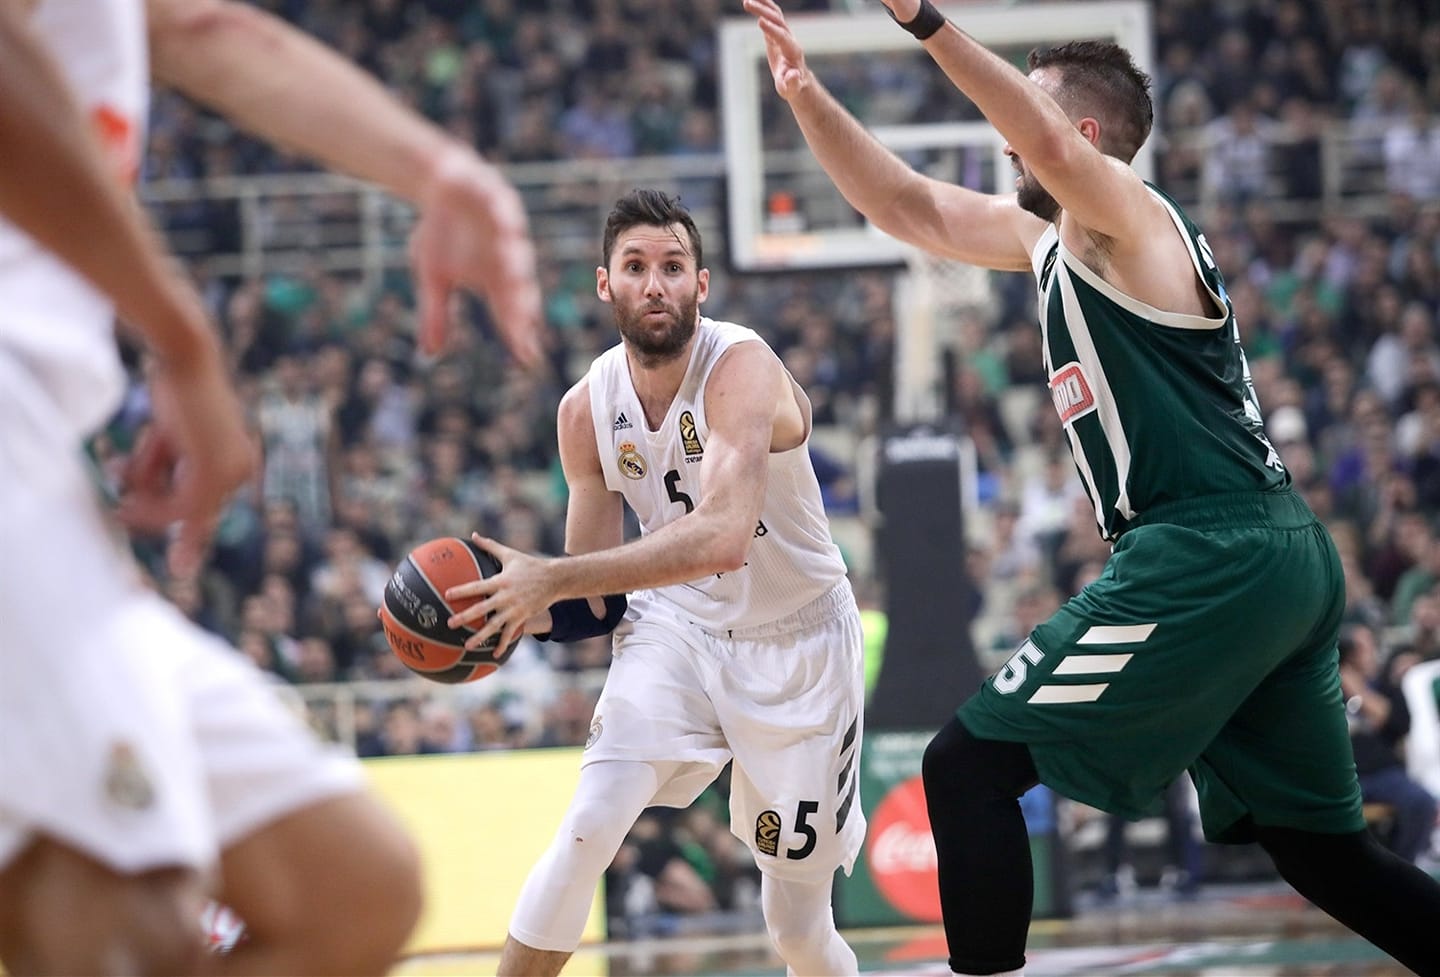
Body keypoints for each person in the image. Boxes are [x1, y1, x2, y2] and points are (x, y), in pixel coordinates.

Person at [743, 1, 1440, 974]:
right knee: (1322, 849)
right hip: (1267, 554)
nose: (1005, 141)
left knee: (967, 764)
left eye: (1025, 119)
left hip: (1209, 548)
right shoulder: (1052, 239)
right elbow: (907, 206)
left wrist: (925, 21)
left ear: (1084, 137)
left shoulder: (1129, 216)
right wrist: (807, 94)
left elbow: (1040, 146)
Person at [0, 1, 543, 974]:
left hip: (41, 452)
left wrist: (434, 168)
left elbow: (194, 25)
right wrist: (180, 334)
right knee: (125, 914)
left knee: (351, 886)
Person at [446, 188, 865, 977]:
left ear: (701, 285)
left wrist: (555, 578)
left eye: (673, 267)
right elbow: (594, 605)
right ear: (605, 283)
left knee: (796, 927)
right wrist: (507, 613)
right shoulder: (584, 411)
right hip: (675, 630)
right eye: (635, 267)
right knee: (586, 827)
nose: (655, 284)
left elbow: (723, 536)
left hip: (800, 640)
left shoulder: (743, 368)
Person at [1339, 622, 1439, 866]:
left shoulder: (1385, 684)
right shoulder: (1324, 686)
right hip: (1340, 776)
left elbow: (1399, 722)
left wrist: (1358, 692)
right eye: (1363, 646)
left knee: (1421, 801)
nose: (1370, 650)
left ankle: (1401, 867)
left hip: (1384, 774)